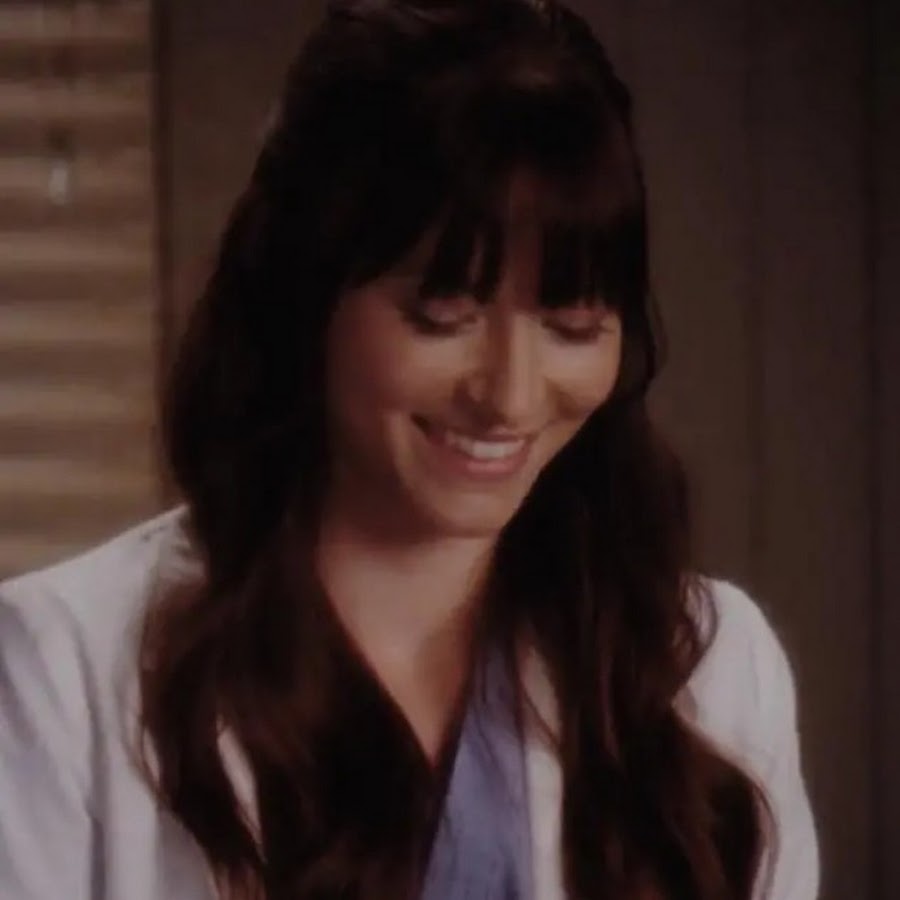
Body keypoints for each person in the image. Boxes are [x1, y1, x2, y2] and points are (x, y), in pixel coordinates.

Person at [0, 1, 818, 898]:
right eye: (442, 316)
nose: (510, 395)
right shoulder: (64, 671)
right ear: (305, 295)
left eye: (573, 325)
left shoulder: (707, 669)